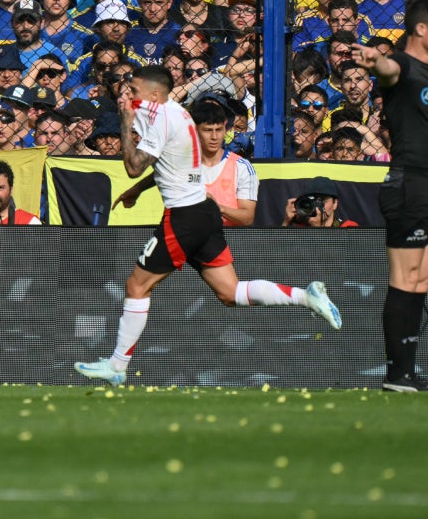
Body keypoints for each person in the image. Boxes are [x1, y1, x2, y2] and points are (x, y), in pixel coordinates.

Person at [73, 65, 342, 386]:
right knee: (231, 292)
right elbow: (168, 163)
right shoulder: (175, 113)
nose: (130, 92)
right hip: (202, 213)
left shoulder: (163, 119)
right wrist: (139, 188)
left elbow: (133, 166)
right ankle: (305, 297)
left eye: (136, 88)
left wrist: (126, 120)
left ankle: (117, 366)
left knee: (136, 287)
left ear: (154, 94)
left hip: (184, 217)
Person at [350, 0, 428, 393]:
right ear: (422, 29)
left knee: (422, 281)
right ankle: (395, 373)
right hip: (407, 184)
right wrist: (375, 59)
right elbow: (386, 69)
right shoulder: (402, 65)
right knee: (403, 279)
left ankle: (408, 371)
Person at [192, 96, 257, 227]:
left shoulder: (242, 167)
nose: (214, 137)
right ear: (195, 130)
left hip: (229, 239)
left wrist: (217, 208)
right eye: (208, 130)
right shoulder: (181, 165)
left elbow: (248, 217)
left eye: (219, 130)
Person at [283, 176, 359, 228]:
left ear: (335, 203)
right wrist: (287, 222)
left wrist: (318, 229)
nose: (317, 207)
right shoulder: (302, 226)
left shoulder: (347, 227)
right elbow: (277, 250)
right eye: (313, 201)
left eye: (322, 201)